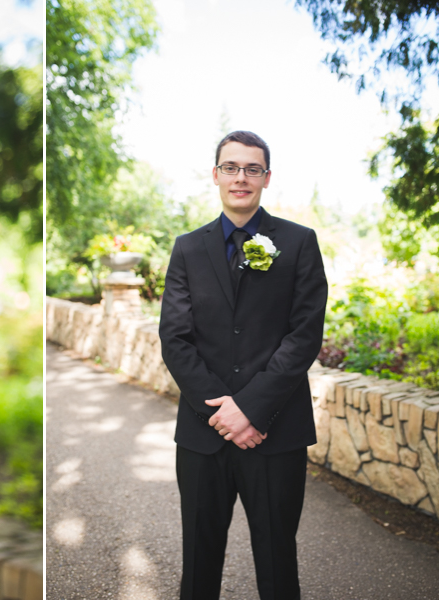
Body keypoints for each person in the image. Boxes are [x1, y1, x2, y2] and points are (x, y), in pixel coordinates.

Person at [159, 130, 328, 600]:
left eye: (252, 169)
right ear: (215, 175)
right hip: (202, 433)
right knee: (198, 564)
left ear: (266, 178)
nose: (241, 177)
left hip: (275, 434)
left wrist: (251, 410)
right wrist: (222, 411)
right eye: (231, 167)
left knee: (277, 564)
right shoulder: (188, 248)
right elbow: (174, 338)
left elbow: (303, 336)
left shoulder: (298, 243)